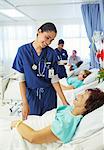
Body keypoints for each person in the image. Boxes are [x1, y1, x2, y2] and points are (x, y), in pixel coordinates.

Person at [12, 22, 68, 118]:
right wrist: (25, 103)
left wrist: (64, 102)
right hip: (31, 95)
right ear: (39, 32)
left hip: (49, 96)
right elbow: (21, 80)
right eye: (47, 37)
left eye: (52, 40)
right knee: (32, 124)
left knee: (48, 124)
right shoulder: (22, 51)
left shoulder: (51, 53)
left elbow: (54, 80)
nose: (48, 42)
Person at [11, 88, 104, 144]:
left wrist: (18, 124)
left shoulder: (67, 123)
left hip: (19, 138)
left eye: (83, 96)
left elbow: (33, 137)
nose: (79, 95)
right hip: (23, 128)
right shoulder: (69, 110)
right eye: (82, 93)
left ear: (87, 107)